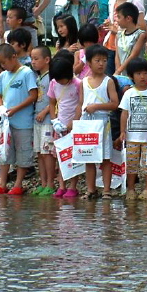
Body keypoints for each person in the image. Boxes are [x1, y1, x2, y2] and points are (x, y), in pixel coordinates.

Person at [0, 44, 37, 195]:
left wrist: (16, 109)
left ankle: (18, 184)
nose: (3, 66)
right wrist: (1, 107)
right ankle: (2, 183)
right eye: (1, 64)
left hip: (23, 122)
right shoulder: (3, 75)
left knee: (23, 152)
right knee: (4, 152)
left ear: (14, 57)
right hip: (6, 122)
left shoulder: (27, 73)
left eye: (4, 63)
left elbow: (33, 95)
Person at [119, 57, 147, 201]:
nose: (142, 76)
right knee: (131, 164)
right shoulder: (128, 93)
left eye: (145, 73)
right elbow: (124, 113)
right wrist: (122, 131)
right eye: (138, 74)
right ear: (131, 76)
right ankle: (131, 189)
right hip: (132, 137)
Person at [80, 44, 119, 199]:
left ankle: (107, 190)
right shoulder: (83, 81)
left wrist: (96, 106)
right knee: (88, 157)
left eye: (104, 60)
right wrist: (75, 122)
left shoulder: (108, 81)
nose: (101, 63)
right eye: (97, 60)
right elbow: (80, 103)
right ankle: (91, 189)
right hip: (87, 123)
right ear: (89, 62)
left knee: (105, 157)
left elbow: (115, 103)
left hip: (103, 122)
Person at [48, 56, 83, 198]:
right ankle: (61, 186)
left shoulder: (78, 84)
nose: (59, 82)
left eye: (62, 79)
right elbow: (51, 103)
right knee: (60, 158)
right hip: (59, 127)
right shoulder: (53, 83)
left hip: (73, 127)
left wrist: (73, 123)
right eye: (57, 79)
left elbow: (80, 105)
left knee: (73, 157)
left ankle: (73, 186)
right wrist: (54, 121)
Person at [104, 0, 145, 74]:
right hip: (110, 45)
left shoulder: (135, 0)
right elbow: (112, 19)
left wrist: (119, 31)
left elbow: (141, 25)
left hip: (127, 47)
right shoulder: (112, 0)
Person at [30, 46, 55, 196]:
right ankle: (43, 182)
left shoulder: (51, 77)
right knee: (39, 152)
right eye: (32, 58)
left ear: (46, 60)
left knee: (47, 152)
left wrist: (45, 111)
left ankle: (51, 183)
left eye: (36, 59)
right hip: (37, 120)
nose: (33, 62)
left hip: (47, 120)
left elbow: (55, 99)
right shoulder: (38, 77)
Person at [115, 2, 146, 76]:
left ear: (128, 18)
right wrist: (118, 71)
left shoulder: (140, 35)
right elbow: (117, 55)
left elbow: (133, 55)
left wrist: (119, 71)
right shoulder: (118, 35)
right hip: (121, 73)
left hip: (135, 73)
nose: (117, 20)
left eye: (119, 17)